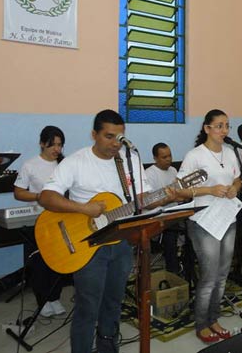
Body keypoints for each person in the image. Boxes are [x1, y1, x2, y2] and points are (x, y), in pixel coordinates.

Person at [40, 110, 153, 353]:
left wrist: (170, 194)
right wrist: (83, 208)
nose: (115, 143)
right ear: (94, 134)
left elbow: (142, 198)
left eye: (119, 138)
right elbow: (46, 197)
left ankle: (107, 348)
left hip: (121, 243)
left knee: (113, 303)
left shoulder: (129, 160)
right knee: (88, 307)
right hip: (86, 245)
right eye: (108, 136)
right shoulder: (76, 162)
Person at [175, 109, 242, 343]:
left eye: (227, 126)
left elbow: (237, 179)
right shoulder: (195, 156)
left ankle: (214, 318)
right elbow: (180, 189)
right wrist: (209, 190)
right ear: (207, 128)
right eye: (219, 126)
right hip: (204, 221)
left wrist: (235, 188)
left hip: (227, 219)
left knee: (222, 275)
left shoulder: (230, 153)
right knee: (209, 276)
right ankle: (201, 324)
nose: (224, 130)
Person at [14, 126, 67, 317]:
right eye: (52, 145)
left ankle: (55, 297)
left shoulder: (64, 165)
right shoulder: (30, 165)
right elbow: (18, 192)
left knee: (59, 260)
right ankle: (43, 300)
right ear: (42, 144)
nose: (56, 149)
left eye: (60, 145)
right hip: (40, 220)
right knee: (41, 262)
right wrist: (39, 196)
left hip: (62, 220)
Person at [145, 142, 184, 274]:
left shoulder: (173, 170)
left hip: (174, 213)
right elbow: (148, 202)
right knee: (170, 235)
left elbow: (178, 194)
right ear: (155, 158)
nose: (169, 159)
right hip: (157, 216)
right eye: (164, 157)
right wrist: (168, 200)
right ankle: (173, 272)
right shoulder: (149, 174)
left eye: (170, 155)